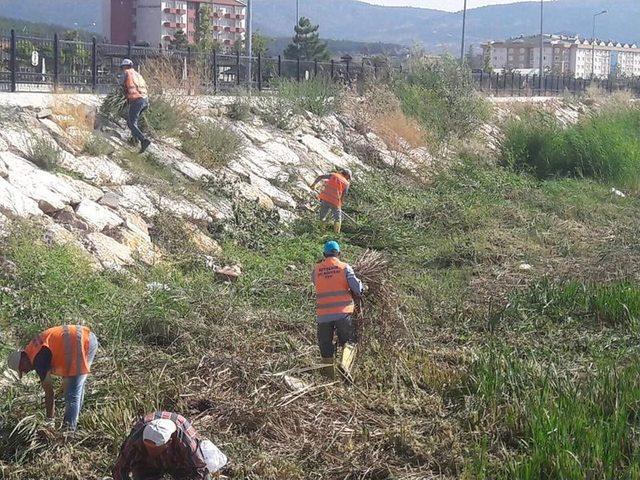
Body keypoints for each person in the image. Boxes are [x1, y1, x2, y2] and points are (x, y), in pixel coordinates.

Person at [6, 325, 99, 431]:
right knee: (75, 387)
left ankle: (68, 432)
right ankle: (74, 423)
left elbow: (49, 394)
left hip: (82, 343)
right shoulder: (32, 350)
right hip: (84, 339)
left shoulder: (38, 359)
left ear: (23, 362)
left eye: (22, 369)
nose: (25, 372)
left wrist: (49, 421)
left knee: (72, 394)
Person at [113, 411, 227, 480]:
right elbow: (119, 469)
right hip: (147, 464)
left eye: (154, 448)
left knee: (187, 474)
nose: (150, 451)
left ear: (169, 441)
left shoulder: (186, 441)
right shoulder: (136, 438)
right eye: (147, 446)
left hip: (177, 458)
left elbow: (200, 469)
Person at [311, 241, 364, 377]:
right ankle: (345, 365)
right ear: (339, 254)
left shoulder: (316, 270)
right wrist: (363, 287)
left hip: (323, 315)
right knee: (349, 341)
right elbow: (357, 288)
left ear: (324, 254)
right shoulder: (344, 267)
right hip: (343, 313)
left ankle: (330, 377)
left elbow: (317, 283)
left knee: (325, 345)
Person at [121, 58, 151, 153]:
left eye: (122, 67)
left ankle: (143, 140)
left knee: (131, 123)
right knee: (134, 121)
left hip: (137, 100)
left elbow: (122, 86)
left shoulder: (127, 73)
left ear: (125, 66)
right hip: (145, 100)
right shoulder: (137, 74)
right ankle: (135, 140)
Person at [311, 168, 353, 234]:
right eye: (349, 177)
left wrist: (314, 184)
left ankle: (321, 232)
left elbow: (320, 177)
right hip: (335, 202)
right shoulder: (346, 183)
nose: (348, 179)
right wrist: (340, 204)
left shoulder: (333, 175)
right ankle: (336, 234)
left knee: (322, 217)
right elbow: (343, 195)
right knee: (338, 219)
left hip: (325, 199)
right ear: (347, 175)